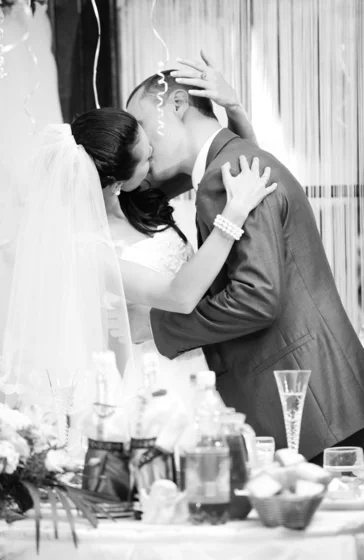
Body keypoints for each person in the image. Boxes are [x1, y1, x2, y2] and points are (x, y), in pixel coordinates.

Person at [126, 51, 364, 462]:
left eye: (143, 126)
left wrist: (157, 325)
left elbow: (256, 298)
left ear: (178, 105)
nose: (141, 144)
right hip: (325, 396)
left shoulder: (227, 175)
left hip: (311, 407)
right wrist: (233, 109)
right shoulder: (233, 161)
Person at [0, 106, 275, 411]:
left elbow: (221, 164)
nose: (154, 152)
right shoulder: (86, 248)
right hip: (148, 380)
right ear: (117, 183)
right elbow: (179, 295)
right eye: (146, 157)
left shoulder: (142, 194)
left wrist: (237, 115)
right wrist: (233, 215)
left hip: (197, 360)